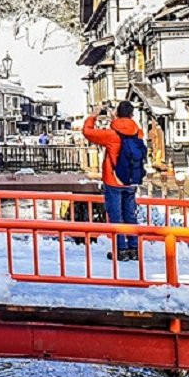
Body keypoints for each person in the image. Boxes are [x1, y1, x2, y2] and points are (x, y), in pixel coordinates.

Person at [82, 100, 146, 261]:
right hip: (132, 180)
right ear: (132, 114)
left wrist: (93, 115)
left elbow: (88, 132)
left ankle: (121, 250)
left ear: (117, 113)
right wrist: (116, 119)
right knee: (130, 215)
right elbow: (126, 127)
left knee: (116, 216)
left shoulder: (111, 135)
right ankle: (134, 248)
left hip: (114, 179)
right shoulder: (138, 132)